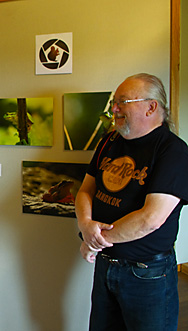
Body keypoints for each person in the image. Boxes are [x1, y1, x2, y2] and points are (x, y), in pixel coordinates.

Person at [76, 73, 188, 331]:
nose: (114, 109)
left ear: (151, 106)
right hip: (105, 264)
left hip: (147, 273)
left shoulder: (173, 151)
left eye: (123, 102)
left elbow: (151, 219)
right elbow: (85, 191)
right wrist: (85, 225)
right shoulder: (109, 141)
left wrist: (94, 239)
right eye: (114, 102)